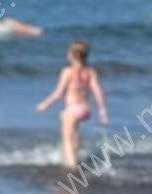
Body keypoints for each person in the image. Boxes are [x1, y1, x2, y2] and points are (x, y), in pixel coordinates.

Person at [36, 39, 108, 170]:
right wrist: (102, 110)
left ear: (71, 55)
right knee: (73, 133)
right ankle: (77, 155)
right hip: (85, 110)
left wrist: (45, 104)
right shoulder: (90, 72)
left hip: (73, 109)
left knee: (67, 140)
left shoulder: (67, 72)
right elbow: (98, 90)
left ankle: (72, 168)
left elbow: (59, 93)